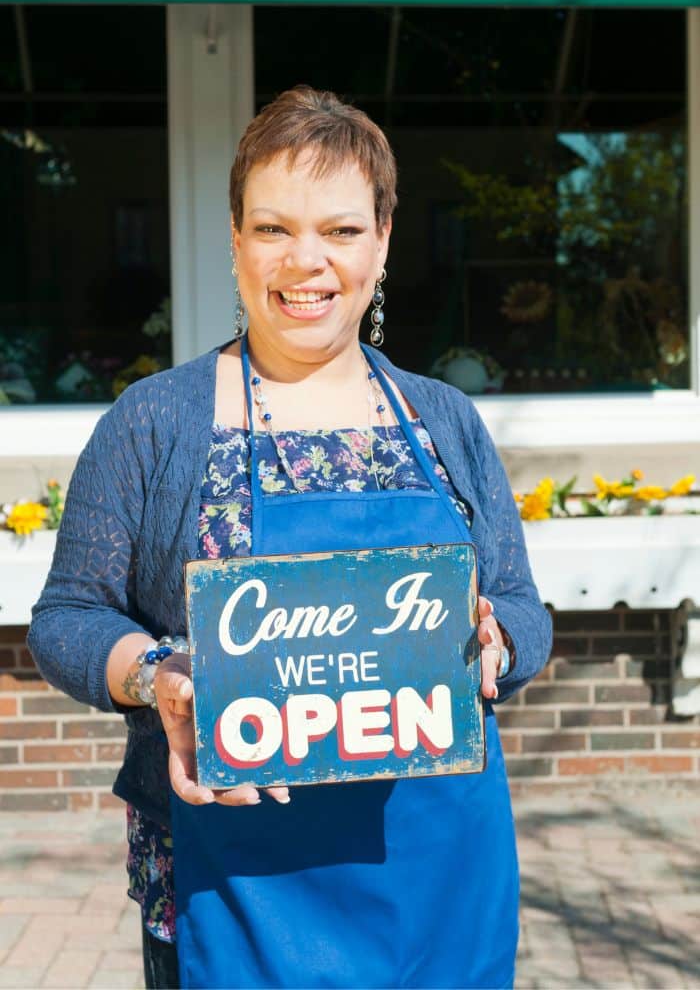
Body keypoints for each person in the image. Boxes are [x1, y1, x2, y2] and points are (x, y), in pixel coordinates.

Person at [29, 85, 552, 990]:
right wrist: (157, 679)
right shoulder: (157, 423)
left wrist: (497, 638)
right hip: (227, 878)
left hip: (436, 875)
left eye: (341, 231)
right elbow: (67, 618)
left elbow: (521, 608)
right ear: (234, 240)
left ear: (382, 242)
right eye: (273, 228)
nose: (306, 260)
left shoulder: (444, 420)